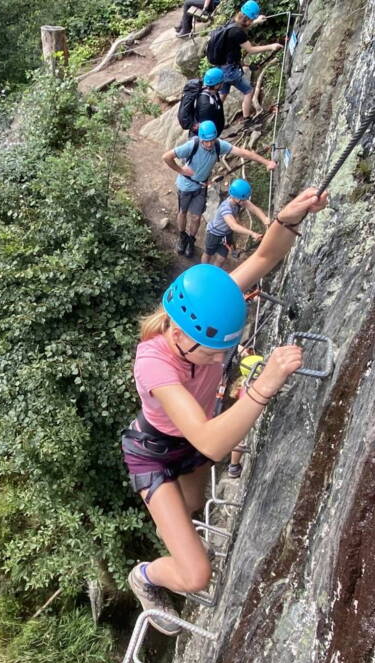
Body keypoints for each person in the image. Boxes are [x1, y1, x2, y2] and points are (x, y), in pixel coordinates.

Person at [123, 187, 329, 633]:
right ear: (180, 335)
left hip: (185, 443)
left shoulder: (207, 305)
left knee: (193, 505)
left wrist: (288, 218)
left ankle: (176, 531)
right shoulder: (155, 362)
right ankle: (145, 576)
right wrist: (264, 386)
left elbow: (264, 259)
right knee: (197, 574)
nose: (220, 360)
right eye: (212, 352)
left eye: (224, 351)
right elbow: (211, 441)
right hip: (154, 452)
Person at [162, 120, 275, 259]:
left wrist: (267, 162)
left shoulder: (218, 146)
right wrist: (181, 170)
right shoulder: (193, 145)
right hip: (185, 185)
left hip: (201, 186)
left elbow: (243, 153)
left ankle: (191, 240)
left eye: (211, 140)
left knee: (196, 217)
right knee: (183, 212)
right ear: (201, 138)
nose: (209, 144)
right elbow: (167, 157)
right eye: (206, 141)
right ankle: (182, 236)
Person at [204, 0, 282, 121]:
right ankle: (247, 120)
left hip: (220, 67)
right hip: (230, 69)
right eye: (253, 19)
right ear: (249, 19)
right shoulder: (238, 33)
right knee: (248, 91)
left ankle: (210, 116)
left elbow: (244, 25)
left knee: (223, 94)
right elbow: (251, 49)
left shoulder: (233, 22)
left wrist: (256, 21)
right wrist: (270, 46)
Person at [202, 178, 271, 268]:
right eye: (243, 199)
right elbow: (233, 225)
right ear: (235, 197)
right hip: (214, 234)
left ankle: (214, 273)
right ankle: (203, 268)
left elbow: (253, 208)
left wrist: (264, 218)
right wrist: (252, 233)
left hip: (226, 235)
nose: (245, 201)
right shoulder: (225, 208)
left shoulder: (239, 201)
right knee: (208, 254)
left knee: (221, 259)